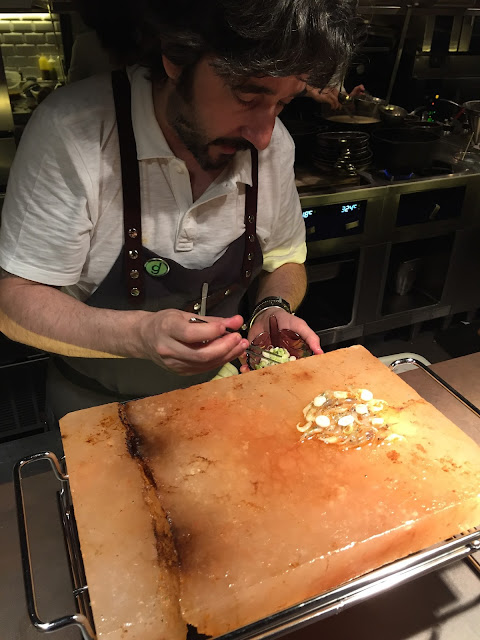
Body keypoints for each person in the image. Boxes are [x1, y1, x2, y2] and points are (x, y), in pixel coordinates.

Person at [0, 0, 359, 419]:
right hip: (94, 408)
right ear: (176, 58)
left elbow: (286, 259)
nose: (263, 135)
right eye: (248, 96)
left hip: (220, 395)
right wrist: (139, 334)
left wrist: (272, 308)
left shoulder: (273, 145)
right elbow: (14, 302)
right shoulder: (74, 131)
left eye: (283, 104)